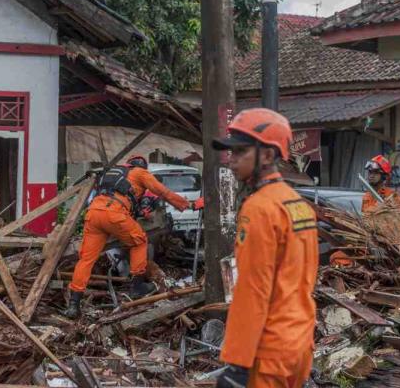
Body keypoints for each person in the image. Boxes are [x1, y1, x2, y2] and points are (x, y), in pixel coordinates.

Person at [212, 108, 318, 388]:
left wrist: (237, 364)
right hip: (299, 344)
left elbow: (252, 289)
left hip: (267, 352)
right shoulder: (298, 204)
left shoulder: (258, 209)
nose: (232, 160)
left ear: (268, 155)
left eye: (240, 152)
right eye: (230, 153)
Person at [63, 155, 203, 319]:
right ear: (142, 166)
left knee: (86, 259)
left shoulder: (114, 173)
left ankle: (74, 304)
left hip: (94, 214)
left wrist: (138, 210)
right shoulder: (140, 173)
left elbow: (120, 197)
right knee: (139, 241)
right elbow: (162, 192)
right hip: (114, 214)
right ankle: (137, 286)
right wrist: (189, 205)